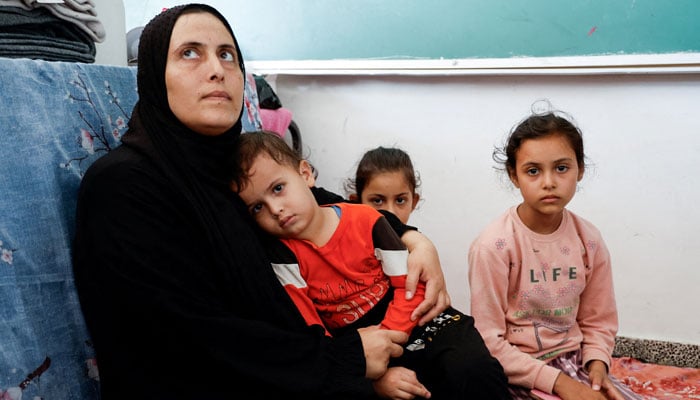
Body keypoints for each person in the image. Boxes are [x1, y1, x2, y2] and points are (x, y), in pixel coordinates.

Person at [71, 4, 450, 399]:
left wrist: (412, 238)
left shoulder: (232, 164)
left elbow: (322, 205)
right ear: (152, 78)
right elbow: (187, 336)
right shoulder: (124, 187)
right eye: (189, 53)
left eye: (227, 54)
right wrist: (345, 359)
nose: (216, 69)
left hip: (301, 364)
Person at [233, 130, 511, 400]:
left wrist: (389, 340)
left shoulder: (368, 220)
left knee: (473, 368)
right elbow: (312, 329)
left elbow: (409, 285)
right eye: (257, 207)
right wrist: (368, 372)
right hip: (360, 344)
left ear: (305, 174)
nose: (275, 209)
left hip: (416, 317)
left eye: (278, 189)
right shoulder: (282, 257)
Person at [467, 108, 642, 400]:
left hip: (574, 362)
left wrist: (598, 364)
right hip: (518, 372)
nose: (548, 182)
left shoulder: (589, 240)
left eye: (561, 168)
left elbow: (598, 319)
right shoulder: (494, 246)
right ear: (514, 175)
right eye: (533, 171)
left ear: (580, 169)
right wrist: (561, 384)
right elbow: (489, 341)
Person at [346, 146, 420, 225]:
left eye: (400, 200)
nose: (390, 212)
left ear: (413, 203)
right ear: (356, 203)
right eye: (377, 201)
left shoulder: (418, 237)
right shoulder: (343, 236)